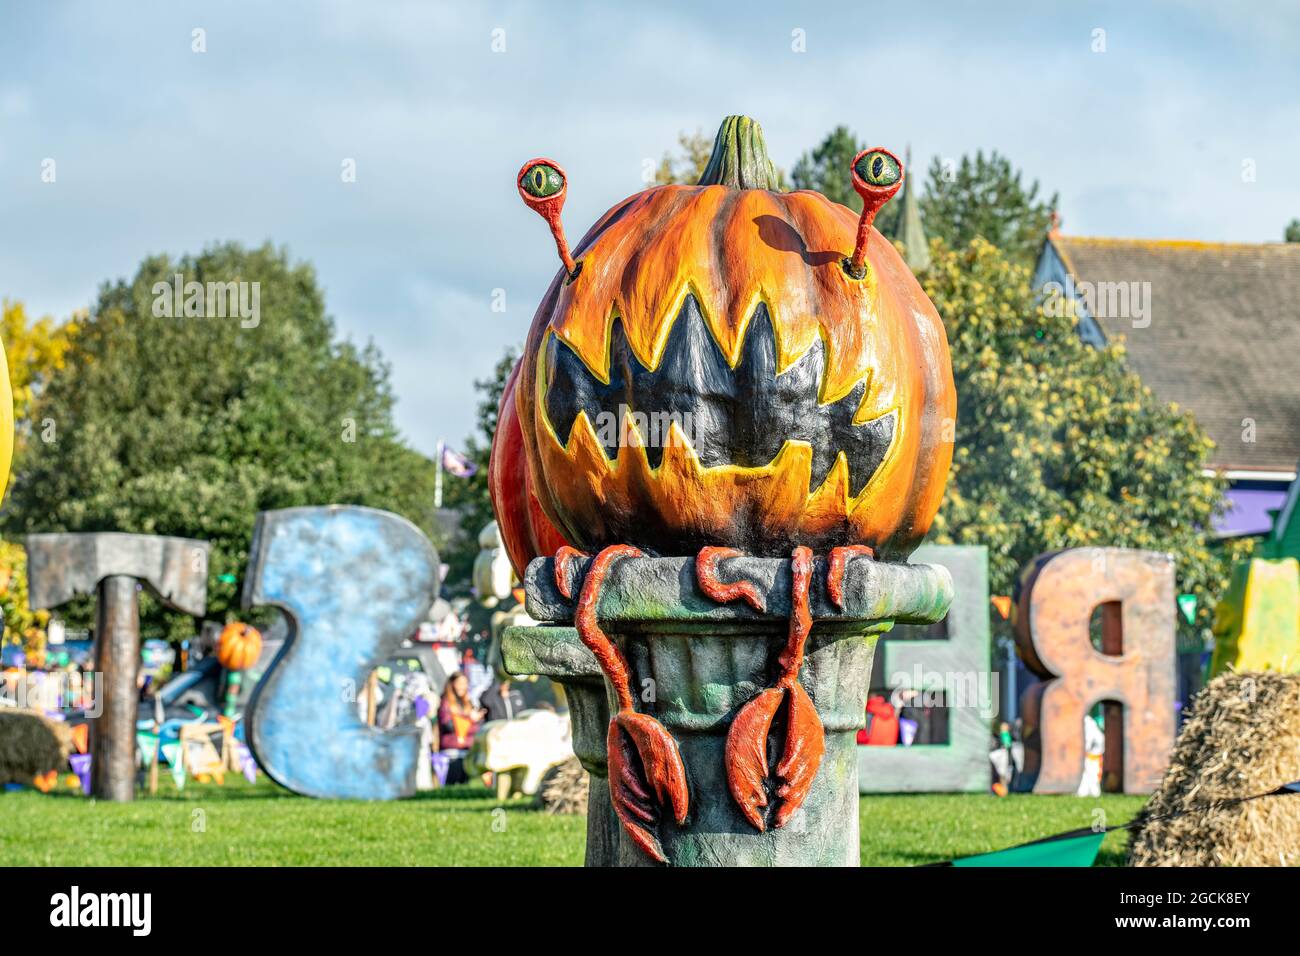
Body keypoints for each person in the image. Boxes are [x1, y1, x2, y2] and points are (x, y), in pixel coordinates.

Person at [437, 672, 485, 785]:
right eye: (459, 683)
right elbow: (449, 726)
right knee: (451, 786)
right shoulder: (446, 703)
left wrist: (475, 719)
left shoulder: (468, 703)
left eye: (465, 683)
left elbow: (477, 727)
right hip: (451, 753)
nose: (462, 686)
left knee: (465, 786)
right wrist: (470, 719)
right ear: (452, 684)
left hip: (467, 751)